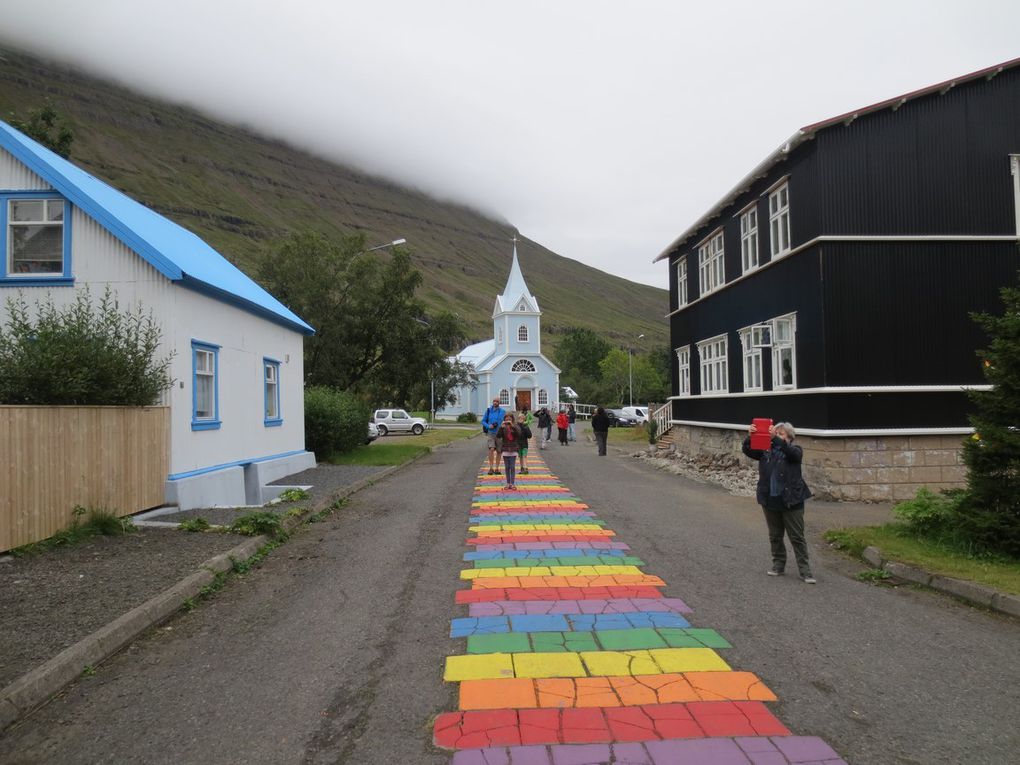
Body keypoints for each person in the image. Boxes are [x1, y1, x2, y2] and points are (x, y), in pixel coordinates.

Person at [742, 421, 815, 583]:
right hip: (770, 500)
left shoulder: (795, 450)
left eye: (781, 434)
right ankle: (778, 565)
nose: (776, 437)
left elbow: (791, 454)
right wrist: (750, 437)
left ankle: (805, 570)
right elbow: (748, 450)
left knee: (796, 537)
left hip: (792, 501)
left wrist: (775, 438)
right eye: (776, 434)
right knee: (775, 535)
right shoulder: (765, 452)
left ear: (789, 437)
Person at [496, 413, 522, 490]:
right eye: (506, 419)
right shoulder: (503, 427)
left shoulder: (515, 426)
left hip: (513, 448)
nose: (508, 420)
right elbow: (498, 436)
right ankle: (508, 483)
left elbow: (519, 434)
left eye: (509, 418)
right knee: (507, 467)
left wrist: (512, 426)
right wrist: (501, 427)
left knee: (512, 467)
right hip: (505, 448)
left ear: (512, 419)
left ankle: (512, 483)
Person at [481, 397, 506, 475]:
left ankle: (497, 468)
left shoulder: (502, 411)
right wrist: (489, 426)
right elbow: (483, 421)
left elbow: (506, 420)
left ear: (499, 403)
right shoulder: (488, 411)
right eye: (494, 401)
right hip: (491, 433)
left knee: (499, 451)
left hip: (499, 433)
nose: (495, 402)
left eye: (497, 401)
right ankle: (491, 468)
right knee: (491, 449)